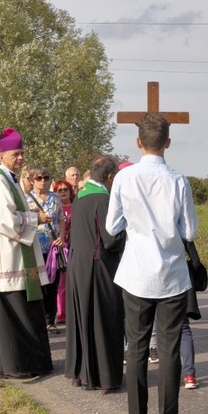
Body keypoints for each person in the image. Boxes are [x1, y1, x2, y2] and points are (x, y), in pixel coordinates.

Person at [106, 112, 198, 414]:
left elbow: (111, 226)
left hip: (135, 272)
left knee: (137, 346)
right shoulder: (178, 180)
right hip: (171, 273)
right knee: (170, 347)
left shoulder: (123, 179)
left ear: (138, 142)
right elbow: (189, 229)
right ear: (168, 143)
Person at [0, 128, 53, 379]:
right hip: (6, 259)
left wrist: (32, 218)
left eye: (22, 153)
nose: (21, 158)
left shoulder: (11, 180)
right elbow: (1, 220)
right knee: (13, 315)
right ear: (1, 157)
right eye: (15, 154)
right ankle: (16, 366)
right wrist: (35, 218)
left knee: (23, 312)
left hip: (18, 256)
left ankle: (21, 362)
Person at [65, 156, 126, 392]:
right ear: (111, 177)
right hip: (99, 266)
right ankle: (104, 376)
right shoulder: (104, 199)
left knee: (84, 318)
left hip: (78, 263)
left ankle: (83, 373)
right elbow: (110, 240)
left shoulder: (80, 196)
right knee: (104, 319)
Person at [25, 166, 65, 334]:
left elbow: (61, 219)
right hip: (34, 248)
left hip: (52, 248)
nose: (43, 181)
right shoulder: (26, 199)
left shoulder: (55, 198)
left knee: (52, 284)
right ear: (32, 180)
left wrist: (62, 236)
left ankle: (50, 320)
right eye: (39, 178)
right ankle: (37, 320)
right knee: (35, 282)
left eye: (46, 177)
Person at [52, 179, 74, 325]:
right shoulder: (56, 208)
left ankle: (72, 310)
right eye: (59, 190)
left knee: (71, 281)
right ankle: (61, 313)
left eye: (66, 189)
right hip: (60, 248)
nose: (63, 192)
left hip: (74, 246)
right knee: (61, 283)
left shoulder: (77, 206)